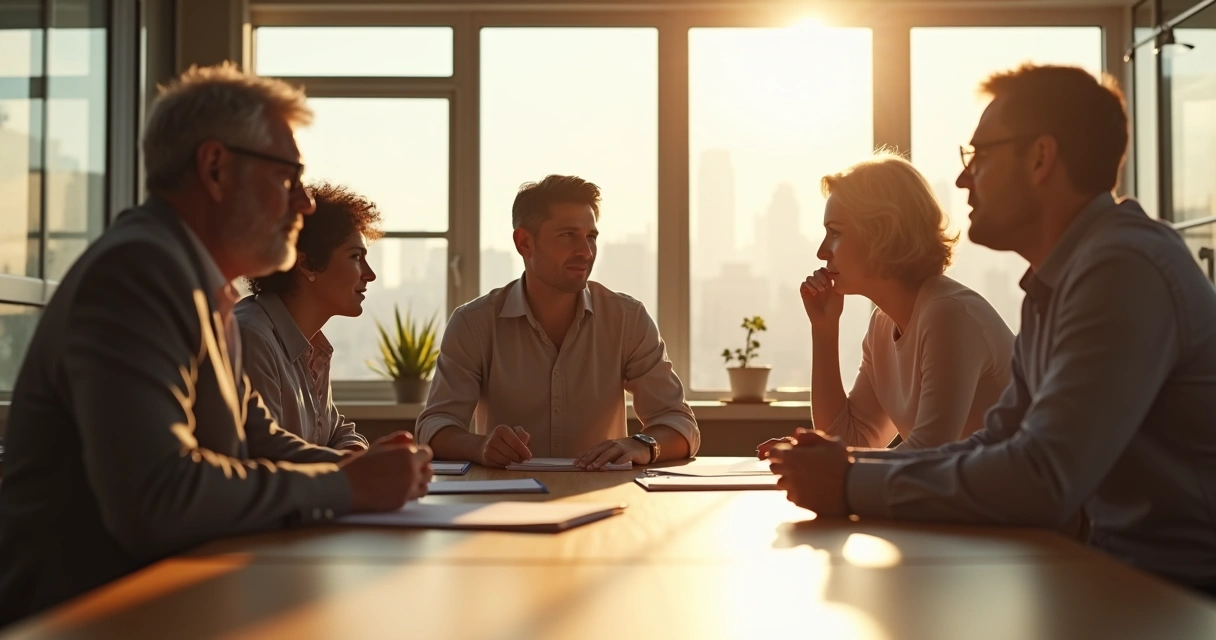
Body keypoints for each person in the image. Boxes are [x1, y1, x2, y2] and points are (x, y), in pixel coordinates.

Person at [0, 63, 432, 625]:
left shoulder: (206, 288)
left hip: (164, 602)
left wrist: (367, 469)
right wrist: (344, 483)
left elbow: (257, 438)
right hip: (84, 618)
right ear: (215, 168)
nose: (303, 203)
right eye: (287, 177)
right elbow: (159, 496)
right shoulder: (138, 270)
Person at [768, 64, 1216, 596]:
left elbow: (1042, 477)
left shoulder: (1122, 268)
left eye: (979, 155)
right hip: (1119, 578)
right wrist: (844, 465)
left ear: (1040, 157)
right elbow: (997, 440)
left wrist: (848, 480)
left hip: (1180, 597)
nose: (962, 178)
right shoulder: (1064, 281)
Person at [416, 174, 699, 469]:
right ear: (524, 242)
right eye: (568, 235)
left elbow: (679, 423)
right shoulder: (473, 324)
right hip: (504, 502)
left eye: (591, 236)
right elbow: (434, 427)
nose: (586, 252)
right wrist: (481, 445)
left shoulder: (627, 319)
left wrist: (642, 444)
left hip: (606, 501)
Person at [757, 153, 1013, 457]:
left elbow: (929, 454)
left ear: (883, 233)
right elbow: (851, 439)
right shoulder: (883, 324)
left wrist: (818, 456)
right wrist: (824, 330)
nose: (822, 251)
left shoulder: (949, 314)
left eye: (835, 233)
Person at [236, 182, 382, 451]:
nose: (369, 273)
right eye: (355, 257)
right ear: (306, 264)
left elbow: (334, 430)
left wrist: (354, 453)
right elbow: (269, 459)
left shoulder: (312, 346)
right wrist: (353, 467)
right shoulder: (252, 339)